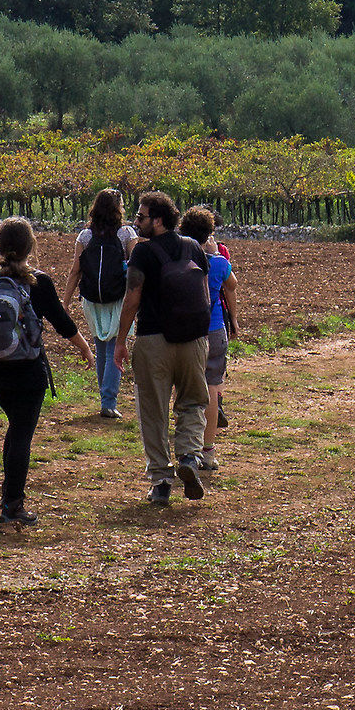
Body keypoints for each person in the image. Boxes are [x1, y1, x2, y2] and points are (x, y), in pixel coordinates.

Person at [0, 218, 81, 531]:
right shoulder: (38, 281)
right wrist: (86, 349)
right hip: (28, 371)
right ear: (31, 246)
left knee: (15, 429)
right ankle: (11, 507)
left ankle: (11, 500)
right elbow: (61, 321)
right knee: (21, 434)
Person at [113, 192, 216, 504]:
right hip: (193, 340)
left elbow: (132, 299)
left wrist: (120, 342)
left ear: (157, 221)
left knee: (153, 411)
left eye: (141, 217)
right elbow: (205, 293)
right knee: (194, 402)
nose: (136, 221)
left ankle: (160, 481)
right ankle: (188, 457)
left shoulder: (142, 254)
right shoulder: (194, 248)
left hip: (153, 340)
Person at [66, 188, 137, 419]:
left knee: (101, 348)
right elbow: (136, 269)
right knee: (114, 347)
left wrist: (65, 302)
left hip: (92, 299)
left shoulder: (85, 236)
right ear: (119, 209)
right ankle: (108, 402)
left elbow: (75, 271)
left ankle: (104, 398)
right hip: (118, 298)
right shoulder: (126, 234)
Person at [179, 206, 239, 473]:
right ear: (208, 235)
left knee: (187, 390)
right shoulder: (217, 262)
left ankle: (186, 449)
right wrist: (234, 320)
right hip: (215, 330)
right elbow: (232, 285)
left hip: (188, 331)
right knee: (213, 390)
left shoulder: (180, 261)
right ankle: (208, 452)